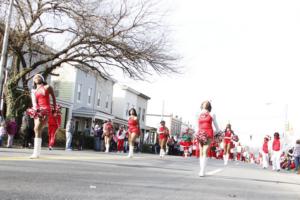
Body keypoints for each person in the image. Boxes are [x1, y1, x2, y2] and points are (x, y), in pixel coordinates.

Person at [27, 74, 56, 158]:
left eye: (38, 77)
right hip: (38, 110)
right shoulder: (34, 90)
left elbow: (53, 98)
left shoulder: (47, 87)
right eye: (35, 77)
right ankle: (37, 153)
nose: (36, 78)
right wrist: (35, 109)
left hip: (46, 110)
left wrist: (54, 109)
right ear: (34, 81)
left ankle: (36, 153)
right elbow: (35, 102)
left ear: (42, 79)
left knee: (37, 128)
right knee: (37, 129)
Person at [195, 100, 220, 177]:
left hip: (208, 133)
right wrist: (196, 133)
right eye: (204, 103)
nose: (205, 104)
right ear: (201, 105)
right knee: (201, 151)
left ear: (209, 106)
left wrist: (214, 133)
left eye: (207, 103)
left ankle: (202, 171)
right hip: (200, 133)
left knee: (205, 151)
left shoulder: (212, 114)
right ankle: (202, 169)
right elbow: (197, 125)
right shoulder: (198, 114)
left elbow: (217, 127)